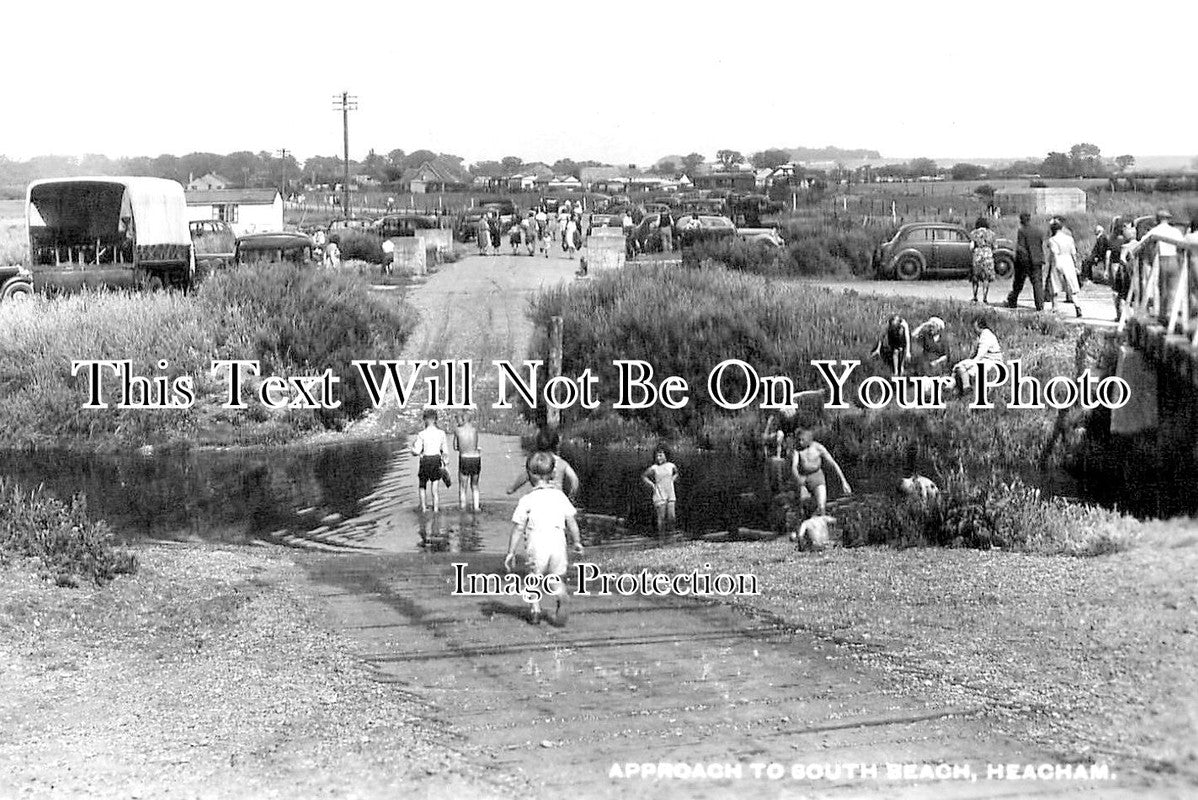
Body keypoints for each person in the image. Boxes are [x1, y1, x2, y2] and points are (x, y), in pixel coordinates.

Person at [504, 452, 584, 626]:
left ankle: (535, 610)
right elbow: (571, 521)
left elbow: (518, 528)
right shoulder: (560, 496)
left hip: (537, 546)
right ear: (553, 474)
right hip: (558, 545)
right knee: (556, 578)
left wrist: (511, 552)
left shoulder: (527, 499)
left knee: (534, 578)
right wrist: (577, 541)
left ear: (530, 476)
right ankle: (562, 597)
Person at [790, 426, 852, 517]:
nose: (800, 442)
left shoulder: (818, 447)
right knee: (804, 509)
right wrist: (799, 480)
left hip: (818, 478)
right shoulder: (797, 450)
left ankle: (822, 525)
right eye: (799, 440)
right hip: (804, 479)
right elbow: (794, 467)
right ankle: (806, 527)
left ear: (809, 439)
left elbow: (833, 464)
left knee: (821, 507)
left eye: (802, 440)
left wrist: (844, 481)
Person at [507, 428, 580, 500]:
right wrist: (571, 496)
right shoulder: (562, 463)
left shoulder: (537, 461)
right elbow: (574, 480)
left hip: (538, 496)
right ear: (557, 445)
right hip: (557, 498)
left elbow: (524, 476)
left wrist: (513, 488)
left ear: (537, 444)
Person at [410, 409, 449, 513]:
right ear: (436, 419)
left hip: (425, 460)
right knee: (435, 489)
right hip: (436, 460)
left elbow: (417, 451)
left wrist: (412, 450)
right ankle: (436, 510)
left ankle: (423, 508)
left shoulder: (421, 434)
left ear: (425, 420)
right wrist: (445, 465)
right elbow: (445, 452)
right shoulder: (441, 433)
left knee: (422, 486)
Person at [952, 318, 1004, 397]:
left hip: (992, 361)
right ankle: (961, 388)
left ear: (979, 327)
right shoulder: (981, 336)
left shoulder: (986, 335)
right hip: (985, 359)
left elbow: (980, 355)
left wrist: (971, 363)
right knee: (959, 366)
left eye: (975, 327)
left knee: (962, 367)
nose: (973, 329)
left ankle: (964, 389)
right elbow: (974, 354)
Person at [1008, 212, 1045, 311]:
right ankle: (1040, 305)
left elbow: (1021, 247)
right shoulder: (1039, 231)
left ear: (1021, 220)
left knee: (1019, 283)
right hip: (1037, 260)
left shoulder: (1022, 231)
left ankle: (1013, 300)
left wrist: (1018, 260)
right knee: (1037, 283)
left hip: (1024, 261)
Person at [1047, 219, 1083, 318]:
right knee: (1072, 285)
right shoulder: (1069, 238)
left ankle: (1055, 307)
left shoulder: (1052, 240)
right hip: (1069, 260)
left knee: (1055, 284)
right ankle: (1077, 306)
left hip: (1059, 259)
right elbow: (1074, 253)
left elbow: (1054, 253)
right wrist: (1076, 265)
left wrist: (1054, 263)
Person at [641, 446, 679, 536]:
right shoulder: (654, 468)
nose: (659, 458)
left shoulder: (671, 465)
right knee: (661, 518)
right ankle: (661, 537)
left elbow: (676, 473)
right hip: (659, 493)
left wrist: (672, 480)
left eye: (661, 456)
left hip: (670, 493)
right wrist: (652, 485)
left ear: (665, 456)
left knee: (672, 517)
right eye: (657, 456)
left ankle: (672, 535)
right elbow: (644, 476)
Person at [453, 415, 481, 512]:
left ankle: (463, 507)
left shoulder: (457, 430)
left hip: (465, 458)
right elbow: (475, 445)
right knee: (475, 485)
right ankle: (476, 507)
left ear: (463, 419)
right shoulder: (475, 430)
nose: (457, 422)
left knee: (462, 486)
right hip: (476, 458)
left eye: (458, 420)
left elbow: (455, 447)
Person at [968, 217, 997, 304]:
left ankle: (975, 297)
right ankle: (985, 298)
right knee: (986, 278)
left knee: (975, 278)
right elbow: (995, 247)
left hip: (977, 255)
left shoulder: (973, 233)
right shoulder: (991, 234)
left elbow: (971, 246)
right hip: (988, 255)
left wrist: (975, 250)